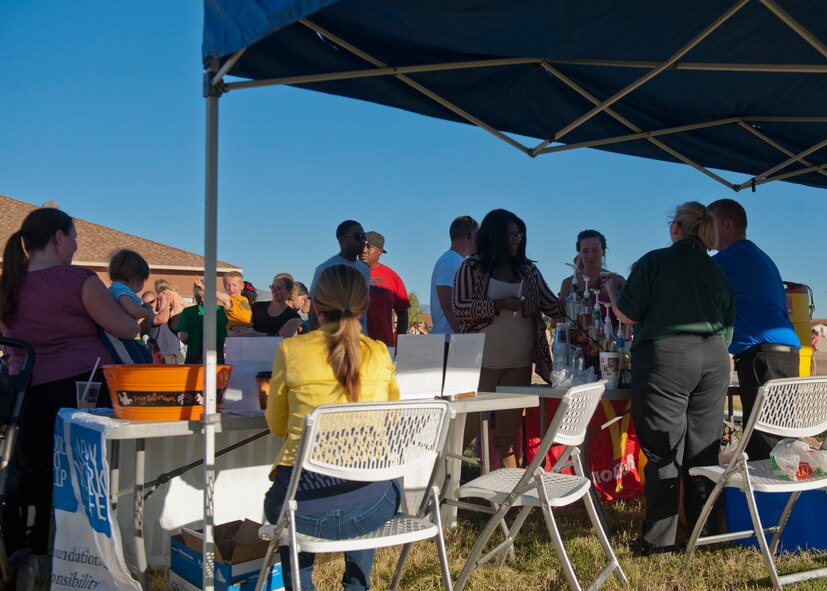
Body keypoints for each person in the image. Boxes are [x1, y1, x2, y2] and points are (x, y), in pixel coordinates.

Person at [0, 207, 136, 557]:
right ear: (59, 238)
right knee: (86, 471)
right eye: (74, 237)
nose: (76, 245)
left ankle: (27, 548)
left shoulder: (9, 284)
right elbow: (124, 328)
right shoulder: (78, 280)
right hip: (82, 389)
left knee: (33, 471)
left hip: (24, 391)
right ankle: (87, 546)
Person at [606, 201, 734, 555]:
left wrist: (615, 288)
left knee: (664, 452)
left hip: (666, 359)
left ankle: (659, 541)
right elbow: (727, 332)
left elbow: (627, 313)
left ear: (675, 227)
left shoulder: (654, 262)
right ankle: (704, 533)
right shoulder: (715, 271)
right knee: (703, 452)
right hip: (713, 358)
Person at [263, 264, 401, 591]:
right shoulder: (379, 353)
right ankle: (357, 585)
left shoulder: (291, 350)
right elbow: (391, 419)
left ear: (316, 306)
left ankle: (301, 584)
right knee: (373, 470)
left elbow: (277, 426)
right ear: (363, 306)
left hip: (302, 510)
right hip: (370, 508)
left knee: (286, 498)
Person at [453, 209, 565, 468]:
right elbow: (459, 307)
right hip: (480, 363)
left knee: (508, 437)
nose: (516, 240)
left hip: (519, 362)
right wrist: (498, 304)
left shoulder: (528, 270)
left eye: (519, 235)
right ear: (494, 236)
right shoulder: (471, 267)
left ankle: (509, 496)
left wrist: (585, 298)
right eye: (510, 235)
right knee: (463, 433)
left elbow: (552, 306)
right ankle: (440, 485)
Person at [708, 198, 801, 460]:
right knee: (780, 438)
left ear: (727, 224)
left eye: (709, 222)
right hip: (782, 353)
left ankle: (766, 500)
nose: (704, 230)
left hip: (763, 356)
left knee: (767, 444)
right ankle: (782, 499)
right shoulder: (758, 255)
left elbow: (691, 277)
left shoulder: (729, 258)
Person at [308, 220, 370, 332]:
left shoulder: (365, 269)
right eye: (357, 236)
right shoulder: (324, 268)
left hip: (358, 335)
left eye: (364, 236)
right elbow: (314, 306)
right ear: (341, 239)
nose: (363, 241)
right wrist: (313, 335)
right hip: (330, 336)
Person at [102, 249, 154, 363]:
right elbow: (131, 309)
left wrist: (143, 308)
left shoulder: (118, 288)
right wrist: (147, 313)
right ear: (136, 279)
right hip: (115, 336)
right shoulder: (121, 290)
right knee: (134, 362)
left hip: (124, 335)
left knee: (146, 356)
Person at [359, 231, 410, 346]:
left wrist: (399, 343)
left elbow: (403, 312)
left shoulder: (392, 277)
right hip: (352, 346)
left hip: (383, 346)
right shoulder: (346, 273)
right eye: (361, 246)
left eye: (368, 247)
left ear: (380, 251)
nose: (363, 250)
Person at [429, 215, 477, 337]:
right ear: (472, 236)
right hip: (448, 341)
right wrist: (464, 335)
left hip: (450, 340)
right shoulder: (451, 260)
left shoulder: (455, 260)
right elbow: (447, 304)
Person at [176, 282, 228, 364]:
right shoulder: (224, 311)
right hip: (219, 357)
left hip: (195, 358)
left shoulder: (188, 312)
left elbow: (183, 337)